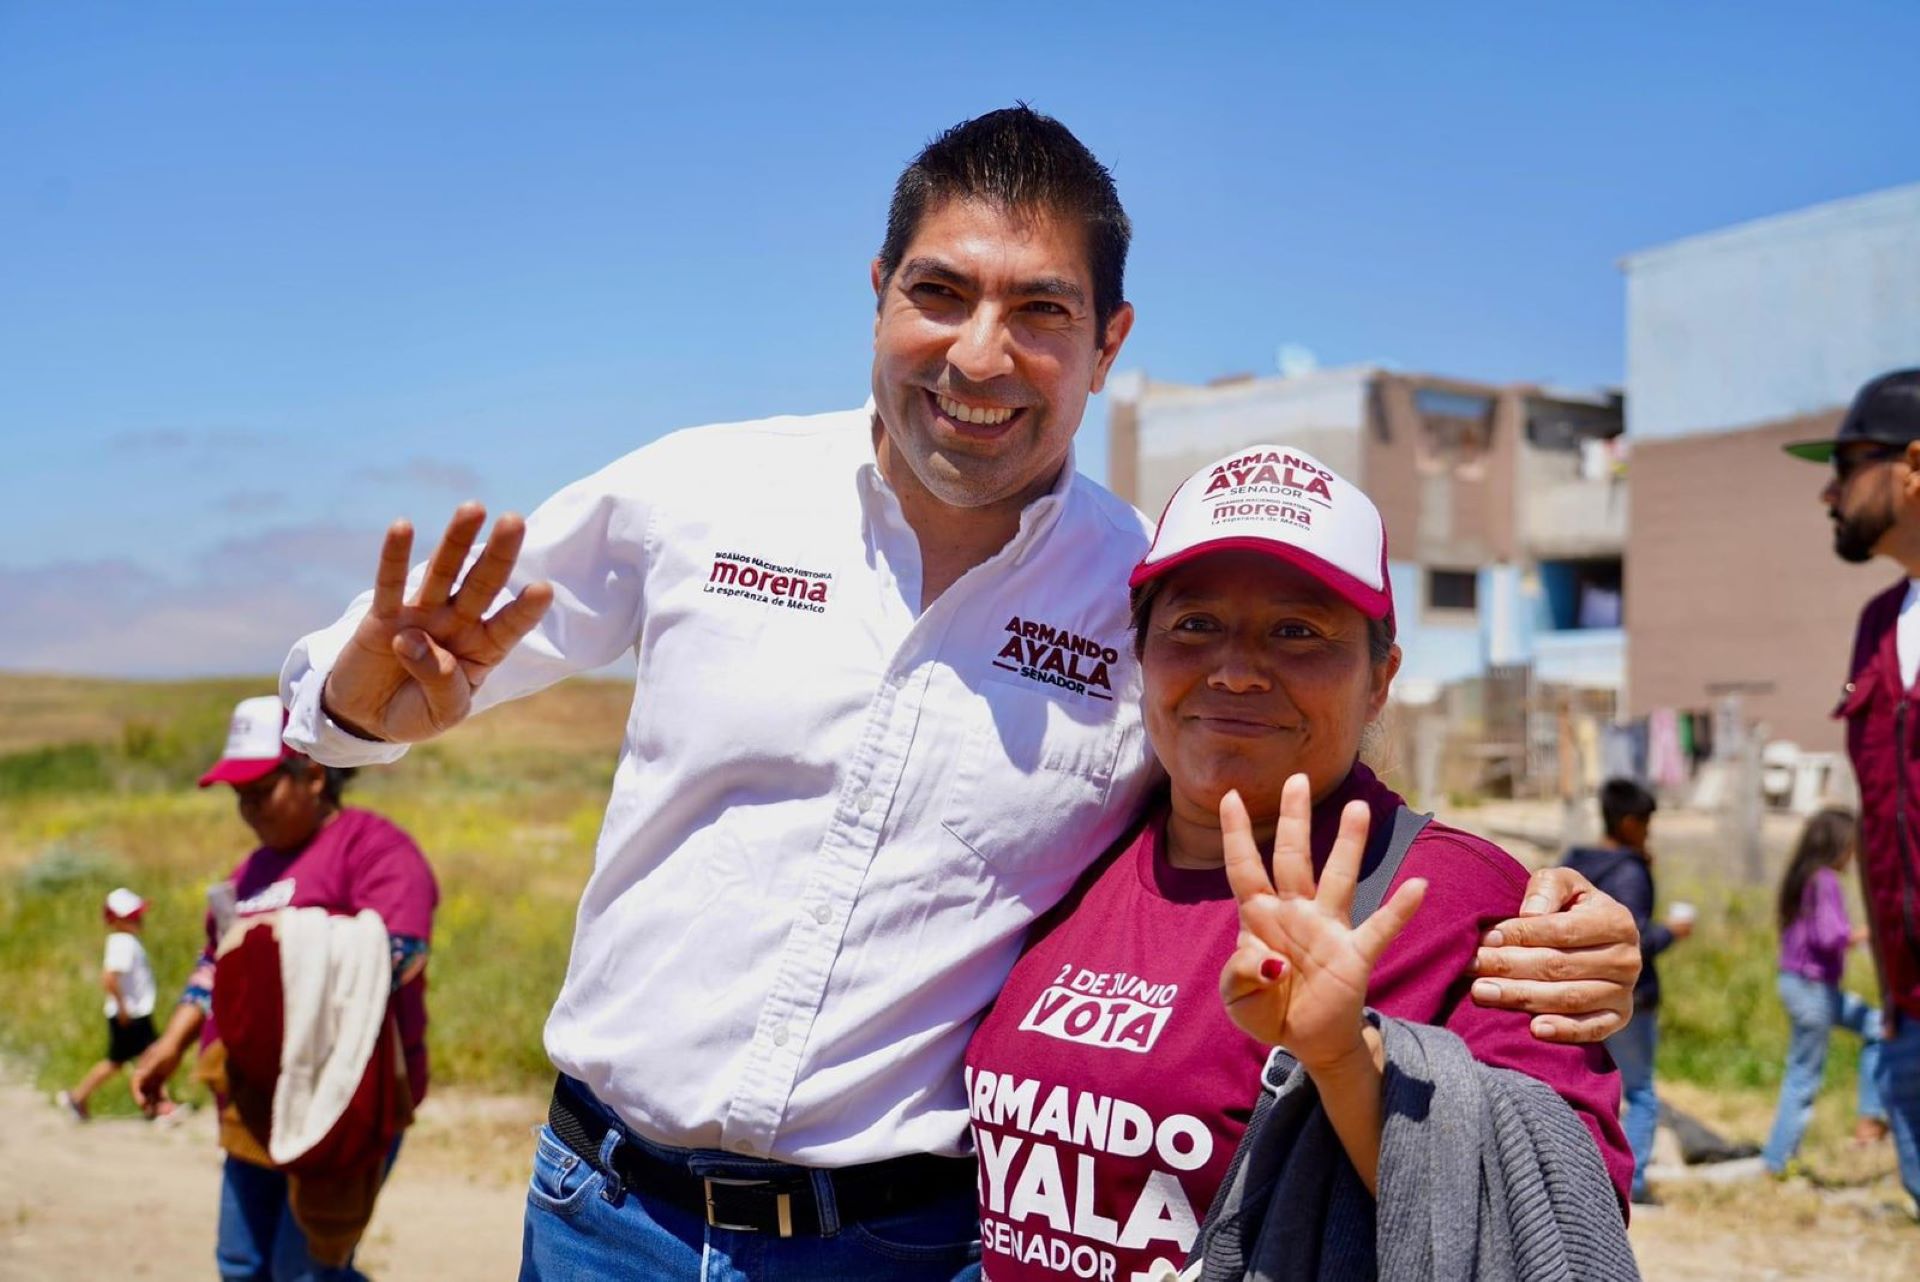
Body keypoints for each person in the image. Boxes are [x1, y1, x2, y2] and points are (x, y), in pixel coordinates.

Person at [280, 107, 1645, 1280]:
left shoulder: (1144, 596)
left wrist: (1563, 915)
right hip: (599, 1209)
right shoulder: (701, 490)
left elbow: (1285, 756)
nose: (979, 355)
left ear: (1108, 343)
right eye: (939, 293)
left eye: (1039, 311)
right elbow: (400, 668)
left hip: (899, 1242)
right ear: (877, 291)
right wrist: (354, 704)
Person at [962, 447, 1631, 1281]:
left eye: (1298, 631)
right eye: (1194, 625)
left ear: (1380, 679)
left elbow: (1557, 1223)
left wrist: (1348, 1060)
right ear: (1141, 655)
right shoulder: (1070, 853)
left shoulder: (1463, 903)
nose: (1236, 671)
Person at [129, 695, 439, 1282]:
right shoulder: (247, 875)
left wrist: (282, 947)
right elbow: (213, 966)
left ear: (315, 775)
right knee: (242, 1265)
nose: (247, 810)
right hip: (253, 1100)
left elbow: (399, 954)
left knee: (307, 1269)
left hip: (342, 1099)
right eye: (238, 797)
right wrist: (170, 1044)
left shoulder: (373, 849)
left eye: (260, 791)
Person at [1788, 366, 1920, 1214]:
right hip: (1911, 1010)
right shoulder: (1879, 621)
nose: (1829, 492)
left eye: (1847, 464)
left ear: (1912, 464)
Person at [1561, 779, 1688, 1206]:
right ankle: (1629, 1185)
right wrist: (1671, 932)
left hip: (1579, 991)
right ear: (1631, 822)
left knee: (1586, 1088)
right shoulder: (1630, 873)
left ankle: (1585, 1179)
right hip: (1628, 997)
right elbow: (1631, 940)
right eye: (1647, 823)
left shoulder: (1577, 864)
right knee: (1641, 1094)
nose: (1649, 832)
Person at [1762, 808, 1890, 1174]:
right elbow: (1831, 936)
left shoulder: (1804, 877)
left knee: (1878, 1027)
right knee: (1803, 1075)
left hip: (1803, 985)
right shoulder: (1825, 880)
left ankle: (1870, 1117)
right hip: (1812, 988)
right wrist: (1871, 932)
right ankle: (1777, 1160)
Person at [56, 886, 166, 1122]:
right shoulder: (122, 943)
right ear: (117, 920)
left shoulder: (126, 941)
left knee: (128, 1060)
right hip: (130, 1014)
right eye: (133, 916)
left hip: (134, 1012)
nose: (139, 920)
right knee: (150, 1057)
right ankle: (157, 1103)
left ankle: (80, 1097)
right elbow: (109, 978)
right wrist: (123, 1007)